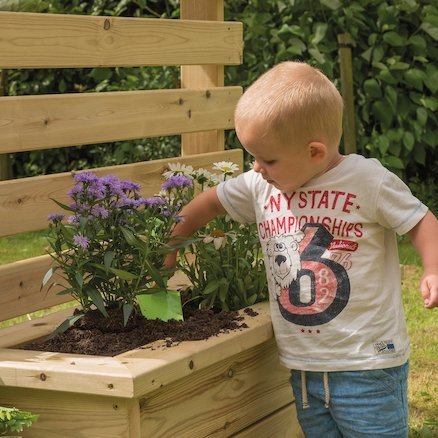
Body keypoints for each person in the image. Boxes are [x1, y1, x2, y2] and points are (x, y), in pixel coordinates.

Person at [164, 61, 438, 437]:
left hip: (368, 364)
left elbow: (421, 220)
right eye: (253, 156)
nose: (257, 167)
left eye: (268, 158)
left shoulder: (367, 181)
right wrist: (172, 242)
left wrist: (433, 268)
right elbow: (208, 203)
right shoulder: (262, 184)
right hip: (305, 366)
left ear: (314, 152)